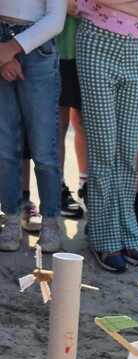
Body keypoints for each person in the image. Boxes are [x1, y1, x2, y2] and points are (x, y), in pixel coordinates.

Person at [76, 0, 138, 272]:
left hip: (133, 49)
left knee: (127, 151)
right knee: (104, 150)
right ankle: (103, 237)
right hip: (95, 44)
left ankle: (126, 232)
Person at [0, 0, 66, 252]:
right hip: (1, 43)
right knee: (5, 146)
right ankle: (12, 217)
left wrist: (11, 48)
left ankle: (50, 219)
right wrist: (3, 55)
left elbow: (56, 20)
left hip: (39, 51)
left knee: (43, 145)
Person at [57, 12, 88, 218]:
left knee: (85, 121)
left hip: (91, 52)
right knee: (59, 122)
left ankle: (86, 184)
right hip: (57, 51)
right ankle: (57, 188)